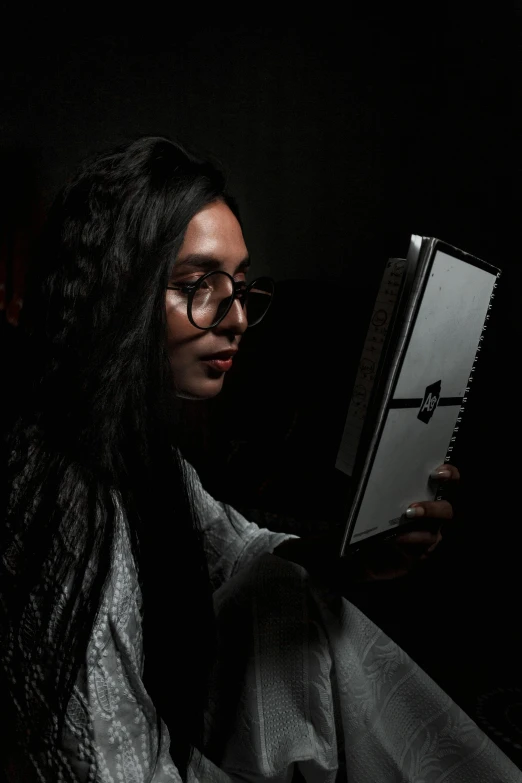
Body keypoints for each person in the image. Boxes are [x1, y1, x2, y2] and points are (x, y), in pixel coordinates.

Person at [0, 136, 519, 783]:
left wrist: (360, 550)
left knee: (281, 592)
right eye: (198, 284)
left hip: (168, 736)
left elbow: (237, 549)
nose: (237, 317)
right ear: (116, 288)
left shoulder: (137, 447)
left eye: (243, 289)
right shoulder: (65, 500)